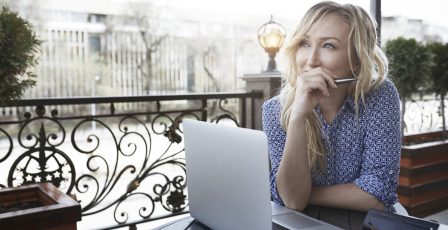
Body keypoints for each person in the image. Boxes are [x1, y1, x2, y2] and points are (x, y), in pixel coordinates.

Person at [262, 1, 401, 227]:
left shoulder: (380, 96)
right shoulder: (276, 109)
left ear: (356, 57)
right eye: (305, 44)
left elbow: (377, 194)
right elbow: (292, 202)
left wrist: (305, 194)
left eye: (328, 46)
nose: (311, 60)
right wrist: (298, 116)